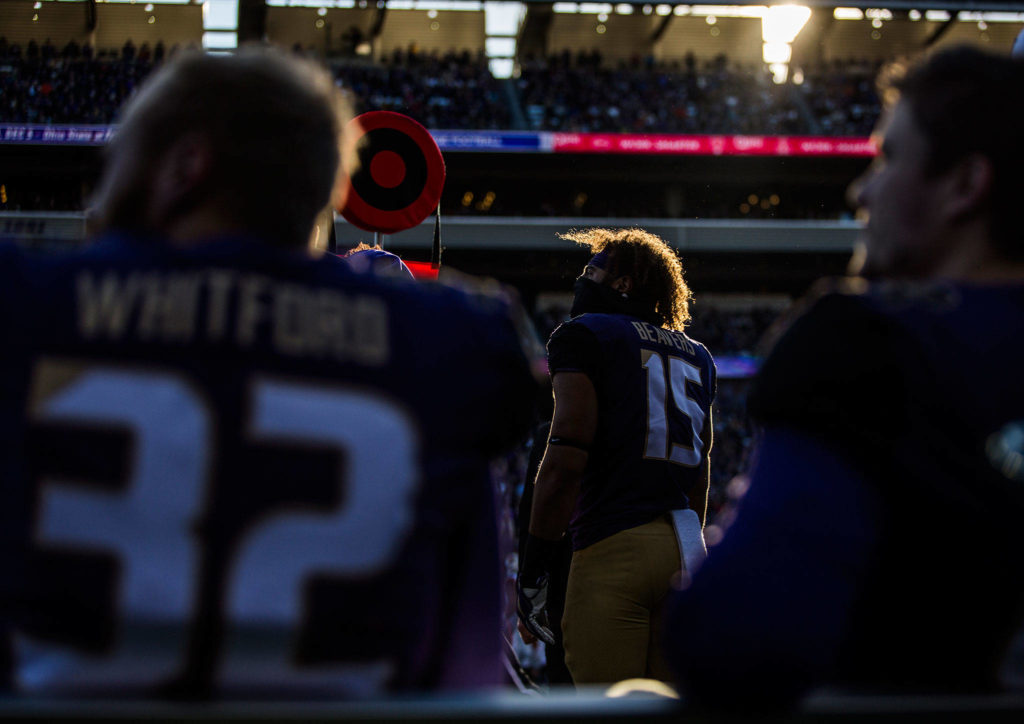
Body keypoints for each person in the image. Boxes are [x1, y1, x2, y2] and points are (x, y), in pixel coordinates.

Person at [0, 48, 538, 698]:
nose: (101, 191)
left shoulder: (29, 304)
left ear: (184, 168)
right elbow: (464, 669)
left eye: (116, 163)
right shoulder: (449, 344)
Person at [666, 46, 1024, 710]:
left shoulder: (866, 343)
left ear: (965, 185)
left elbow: (731, 638)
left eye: (889, 158)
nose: (862, 190)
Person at [517, 227, 716, 686]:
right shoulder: (698, 355)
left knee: (602, 706)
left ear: (623, 283)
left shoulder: (586, 334)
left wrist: (536, 563)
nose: (582, 280)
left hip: (611, 546)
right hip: (679, 546)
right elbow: (700, 473)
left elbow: (566, 453)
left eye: (593, 271)